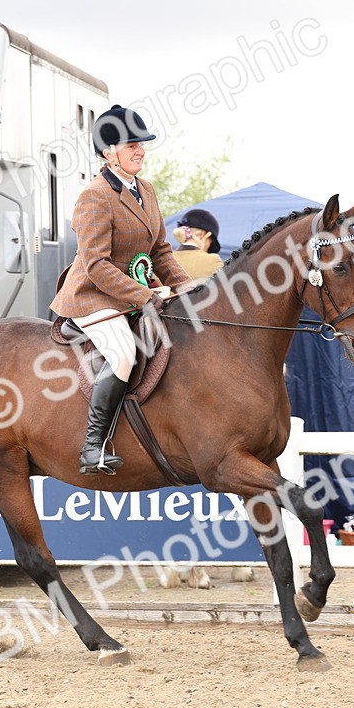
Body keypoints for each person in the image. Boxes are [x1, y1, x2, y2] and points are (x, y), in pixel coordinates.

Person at [50, 105, 193, 475]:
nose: (140, 150)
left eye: (142, 144)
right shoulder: (94, 197)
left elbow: (161, 251)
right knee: (124, 353)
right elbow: (96, 265)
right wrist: (145, 295)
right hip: (93, 296)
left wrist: (190, 288)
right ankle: (92, 448)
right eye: (132, 144)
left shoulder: (146, 189)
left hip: (132, 291)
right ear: (107, 152)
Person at [172, 208, 225, 284]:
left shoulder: (163, 261)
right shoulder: (213, 261)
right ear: (202, 235)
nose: (209, 247)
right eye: (210, 242)